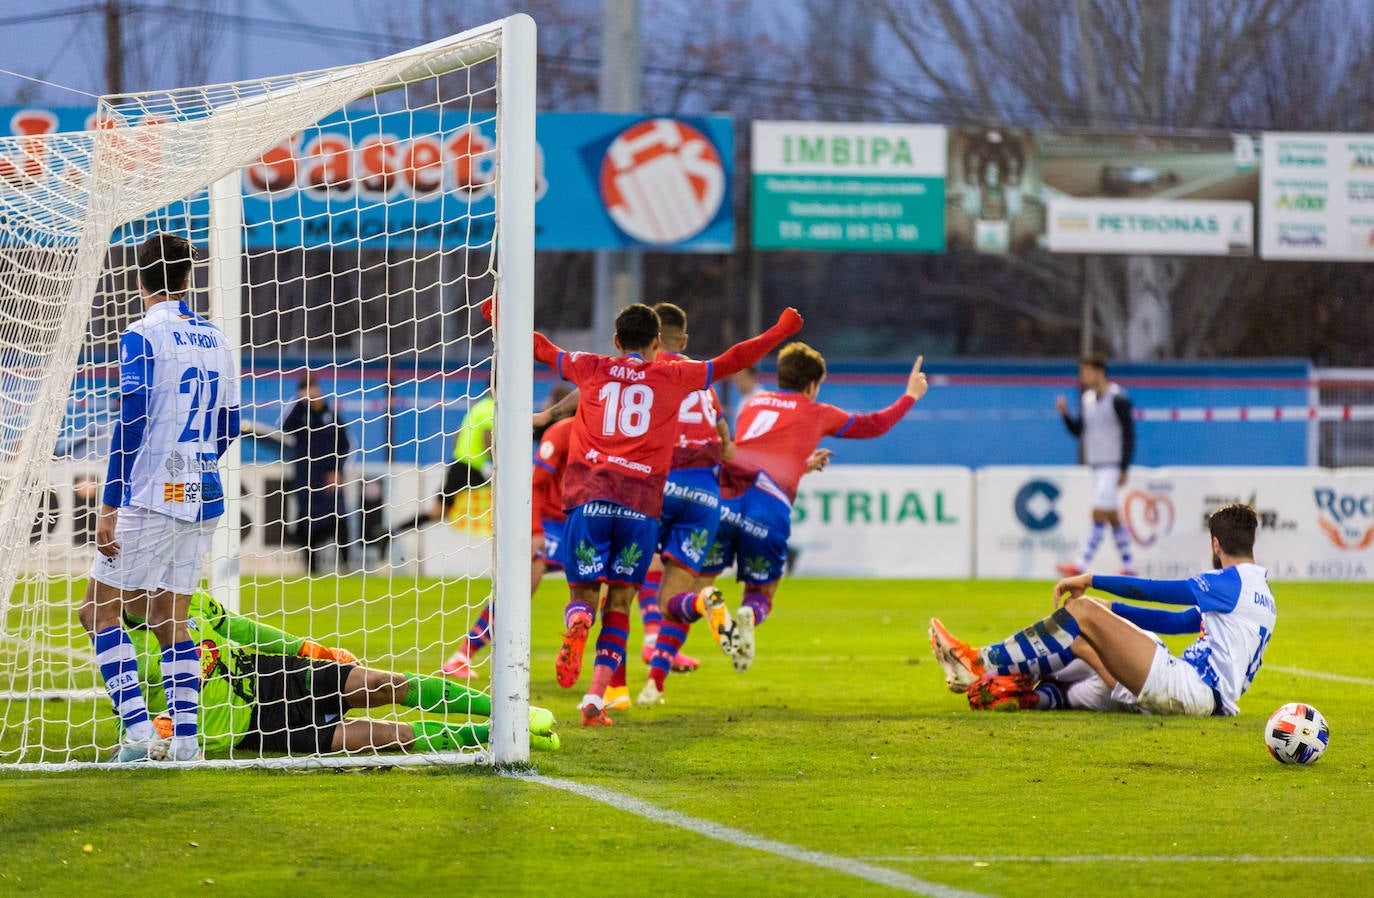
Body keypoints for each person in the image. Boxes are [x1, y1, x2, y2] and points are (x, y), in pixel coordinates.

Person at [485, 297, 803, 726]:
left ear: (617, 341)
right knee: (620, 604)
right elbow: (733, 359)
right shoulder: (675, 375)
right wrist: (780, 330)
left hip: (591, 498)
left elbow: (539, 347)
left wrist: (499, 315)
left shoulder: (590, 366)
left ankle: (578, 621)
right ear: (658, 342)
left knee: (583, 597)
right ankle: (595, 700)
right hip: (640, 508)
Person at [639, 344, 928, 702]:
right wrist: (910, 396)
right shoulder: (817, 410)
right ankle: (748, 614)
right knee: (761, 593)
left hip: (725, 501)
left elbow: (757, 453)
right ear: (811, 386)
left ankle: (654, 683)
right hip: (768, 507)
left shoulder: (754, 404)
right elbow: (874, 425)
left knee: (693, 594)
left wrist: (799, 464)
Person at [83, 233, 241, 763]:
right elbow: (231, 425)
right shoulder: (218, 339)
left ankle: (137, 732)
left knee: (97, 611)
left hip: (150, 496)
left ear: (140, 280)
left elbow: (131, 422)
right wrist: (195, 463)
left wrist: (108, 504)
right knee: (169, 619)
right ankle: (187, 742)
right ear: (187, 277)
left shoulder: (141, 335)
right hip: (202, 495)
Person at [90, 587, 558, 757]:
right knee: (380, 737)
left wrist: (308, 648)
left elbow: (241, 627)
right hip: (252, 726)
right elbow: (126, 724)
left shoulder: (189, 598)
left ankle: (515, 713)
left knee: (383, 683)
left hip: (268, 673)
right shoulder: (121, 642)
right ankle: (491, 734)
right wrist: (152, 732)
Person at [929, 503, 1275, 718]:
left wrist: (1092, 579)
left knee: (1080, 613)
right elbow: (1175, 621)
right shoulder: (1260, 593)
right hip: (1200, 693)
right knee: (1088, 616)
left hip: (1192, 689)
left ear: (1215, 544)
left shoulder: (1228, 583)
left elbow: (1155, 592)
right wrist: (1108, 608)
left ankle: (978, 663)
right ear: (1252, 542)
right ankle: (999, 675)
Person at [440, 414, 576, 680]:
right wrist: (536, 530)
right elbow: (536, 485)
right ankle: (462, 655)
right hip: (550, 523)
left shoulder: (606, 434)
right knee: (518, 591)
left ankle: (626, 666)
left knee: (610, 583)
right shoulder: (562, 433)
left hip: (580, 521)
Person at [1055, 355, 1136, 576]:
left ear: (1099, 371)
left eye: (1085, 372)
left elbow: (1129, 434)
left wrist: (1124, 466)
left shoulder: (1118, 398)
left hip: (1111, 465)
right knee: (1111, 516)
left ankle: (1080, 564)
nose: (1082, 377)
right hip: (1096, 466)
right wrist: (1065, 415)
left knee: (1098, 513)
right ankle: (1129, 565)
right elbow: (1078, 430)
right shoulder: (1087, 399)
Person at [391, 372, 494, 535]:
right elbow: (486, 436)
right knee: (499, 493)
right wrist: (495, 464)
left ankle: (392, 532)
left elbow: (457, 435)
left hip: (459, 463)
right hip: (469, 467)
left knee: (438, 513)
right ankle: (390, 533)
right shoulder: (491, 408)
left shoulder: (477, 407)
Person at [280, 373, 352, 573]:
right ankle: (311, 568)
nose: (311, 392)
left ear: (318, 389)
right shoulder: (300, 413)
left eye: (312, 387)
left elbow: (345, 445)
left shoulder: (331, 415)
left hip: (328, 477)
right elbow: (284, 428)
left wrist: (338, 471)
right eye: (305, 389)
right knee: (306, 522)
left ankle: (346, 565)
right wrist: (299, 403)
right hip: (305, 478)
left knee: (339, 518)